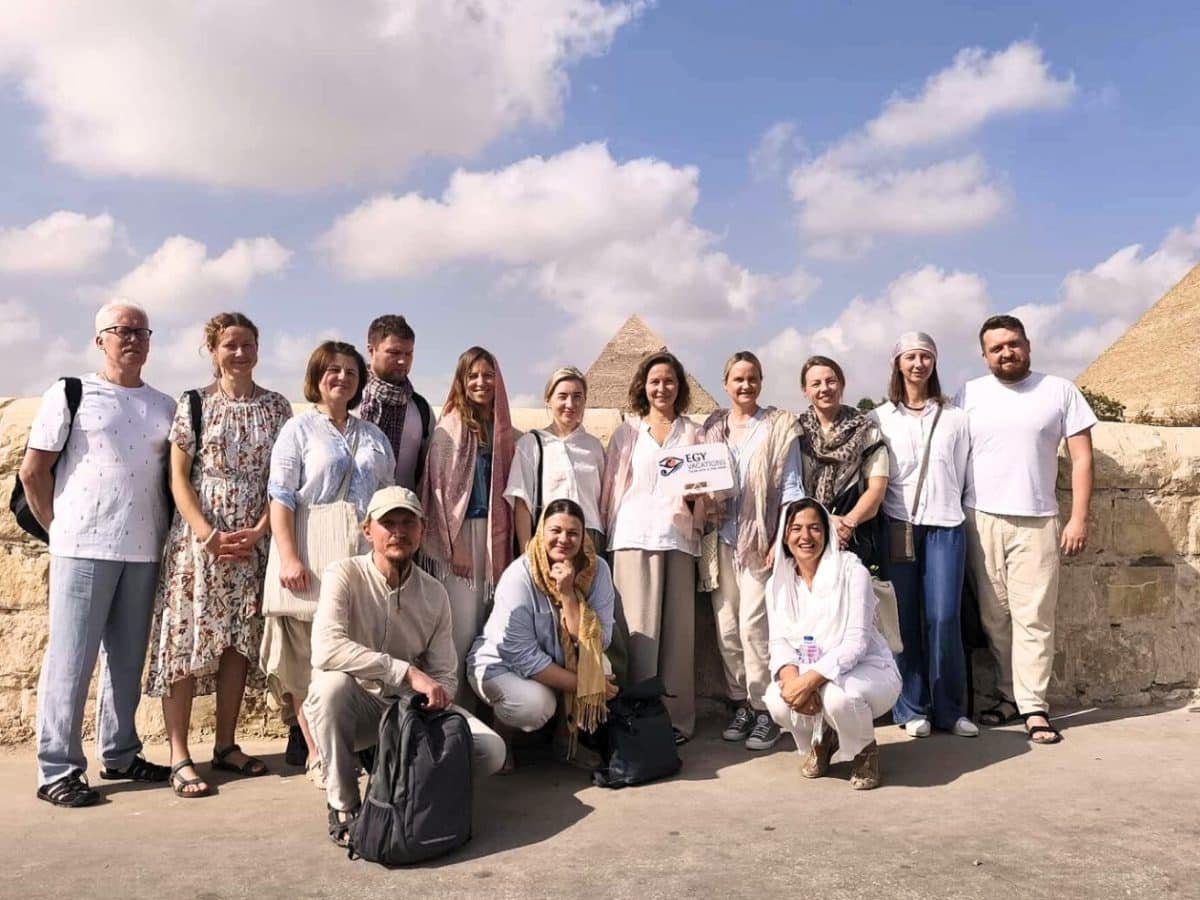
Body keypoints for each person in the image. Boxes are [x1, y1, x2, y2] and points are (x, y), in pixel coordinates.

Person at [20, 300, 175, 807]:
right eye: (120, 330)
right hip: (83, 547)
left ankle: (121, 751)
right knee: (71, 661)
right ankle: (58, 769)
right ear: (100, 340)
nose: (131, 338)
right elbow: (32, 471)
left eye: (140, 331)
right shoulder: (71, 393)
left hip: (144, 549)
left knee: (127, 661)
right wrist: (58, 528)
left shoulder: (164, 405)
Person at [304, 486, 506, 847]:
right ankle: (343, 803)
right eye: (388, 523)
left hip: (407, 712)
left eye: (407, 523)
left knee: (490, 752)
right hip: (359, 706)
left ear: (421, 530)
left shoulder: (434, 593)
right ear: (368, 530)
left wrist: (422, 709)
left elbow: (444, 673)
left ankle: (398, 778)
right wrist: (406, 672)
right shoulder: (344, 575)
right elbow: (325, 650)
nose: (398, 531)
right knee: (328, 687)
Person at [144, 312, 293, 798]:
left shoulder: (277, 407)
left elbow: (284, 479)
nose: (240, 352)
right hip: (199, 544)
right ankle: (180, 755)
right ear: (213, 350)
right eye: (230, 344)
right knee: (186, 642)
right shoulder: (195, 404)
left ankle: (226, 745)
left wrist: (260, 530)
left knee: (238, 643)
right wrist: (206, 532)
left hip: (254, 539)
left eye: (248, 343)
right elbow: (178, 478)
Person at [955, 315, 1096, 745]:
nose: (1006, 353)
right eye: (996, 348)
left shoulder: (1060, 391)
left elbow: (1083, 458)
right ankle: (1007, 695)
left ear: (1027, 346)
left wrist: (1079, 517)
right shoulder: (969, 393)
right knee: (994, 617)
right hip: (980, 517)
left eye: (1013, 344)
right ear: (984, 355)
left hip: (1037, 519)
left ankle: (1034, 707)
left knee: (1034, 617)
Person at [263, 341, 395, 785]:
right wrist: (288, 556)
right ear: (317, 376)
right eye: (332, 370)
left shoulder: (373, 435)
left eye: (351, 372)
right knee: (308, 656)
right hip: (310, 546)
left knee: (354, 649)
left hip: (359, 550)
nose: (341, 378)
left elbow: (386, 496)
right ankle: (319, 754)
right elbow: (280, 497)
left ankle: (349, 747)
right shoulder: (297, 431)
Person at [869, 333, 977, 740]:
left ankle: (949, 708)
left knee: (944, 617)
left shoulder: (956, 418)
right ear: (898, 363)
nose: (919, 364)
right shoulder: (879, 419)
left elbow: (965, 473)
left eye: (926, 357)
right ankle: (911, 706)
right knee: (904, 620)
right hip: (898, 525)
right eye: (911, 357)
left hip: (946, 525)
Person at [699, 351, 803, 751]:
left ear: (761, 382)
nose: (745, 386)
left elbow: (792, 489)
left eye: (753, 378)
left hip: (760, 542)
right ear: (725, 384)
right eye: (738, 379)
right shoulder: (712, 429)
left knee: (754, 628)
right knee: (726, 628)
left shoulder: (778, 427)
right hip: (719, 539)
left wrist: (781, 542)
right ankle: (740, 701)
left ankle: (765, 710)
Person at [601, 351, 706, 744]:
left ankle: (678, 721)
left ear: (680, 387)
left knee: (679, 637)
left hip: (678, 538)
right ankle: (638, 714)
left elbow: (706, 493)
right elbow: (612, 487)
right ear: (643, 387)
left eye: (669, 381)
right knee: (640, 633)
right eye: (655, 381)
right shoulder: (627, 432)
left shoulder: (693, 433)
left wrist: (700, 496)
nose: (662, 388)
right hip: (632, 537)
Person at [763, 499, 901, 790]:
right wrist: (793, 682)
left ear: (827, 532)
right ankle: (824, 739)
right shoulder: (778, 582)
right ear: (785, 537)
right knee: (777, 699)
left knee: (839, 698)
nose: (805, 536)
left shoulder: (852, 572)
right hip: (812, 673)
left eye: (814, 527)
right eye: (796, 528)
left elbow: (855, 644)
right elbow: (779, 643)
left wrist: (808, 683)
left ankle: (865, 752)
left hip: (869, 672)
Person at [468, 499, 618, 766]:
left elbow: (601, 638)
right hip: (502, 665)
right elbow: (523, 657)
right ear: (541, 532)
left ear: (583, 536)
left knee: (600, 665)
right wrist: (587, 685)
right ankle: (503, 740)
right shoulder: (520, 576)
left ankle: (565, 743)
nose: (564, 539)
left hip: (553, 659)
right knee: (536, 705)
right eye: (555, 530)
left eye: (573, 533)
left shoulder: (597, 569)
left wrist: (569, 595)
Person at [419, 346, 514, 702]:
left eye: (488, 375)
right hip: (459, 540)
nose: (481, 382)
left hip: (494, 537)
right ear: (461, 379)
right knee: (459, 631)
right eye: (472, 375)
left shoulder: (502, 430)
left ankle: (490, 717)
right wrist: (454, 545)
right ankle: (458, 717)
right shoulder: (450, 428)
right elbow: (439, 493)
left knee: (489, 628)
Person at [796, 356, 889, 566]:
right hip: (806, 536)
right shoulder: (795, 432)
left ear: (842, 384)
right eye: (816, 384)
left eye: (831, 381)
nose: (824, 388)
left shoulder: (867, 431)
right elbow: (790, 487)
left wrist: (846, 525)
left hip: (852, 535)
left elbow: (876, 488)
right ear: (805, 390)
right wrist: (823, 523)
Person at [505, 366, 606, 552]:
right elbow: (522, 502)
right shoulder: (531, 444)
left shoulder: (595, 447)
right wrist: (527, 552)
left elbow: (604, 502)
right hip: (549, 540)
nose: (570, 403)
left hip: (590, 539)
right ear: (548, 400)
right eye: (562, 396)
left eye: (577, 396)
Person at [359, 315, 433, 492]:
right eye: (394, 353)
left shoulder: (421, 409)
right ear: (371, 351)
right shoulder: (351, 400)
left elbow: (428, 473)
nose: (403, 361)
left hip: (402, 514)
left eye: (409, 354)